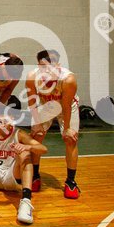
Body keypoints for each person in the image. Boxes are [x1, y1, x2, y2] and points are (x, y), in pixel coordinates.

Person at [0, 113, 46, 224]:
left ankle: (26, 201)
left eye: (6, 121)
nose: (3, 124)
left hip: (12, 176)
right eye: (0, 121)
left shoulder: (19, 134)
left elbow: (43, 149)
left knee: (25, 154)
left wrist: (27, 146)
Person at [26, 49, 81, 199]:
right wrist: (37, 123)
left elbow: (66, 106)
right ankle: (35, 175)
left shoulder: (68, 79)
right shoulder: (32, 77)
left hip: (67, 107)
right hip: (47, 105)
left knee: (70, 139)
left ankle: (71, 181)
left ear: (57, 65)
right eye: (42, 66)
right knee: (36, 135)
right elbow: (32, 101)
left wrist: (67, 129)